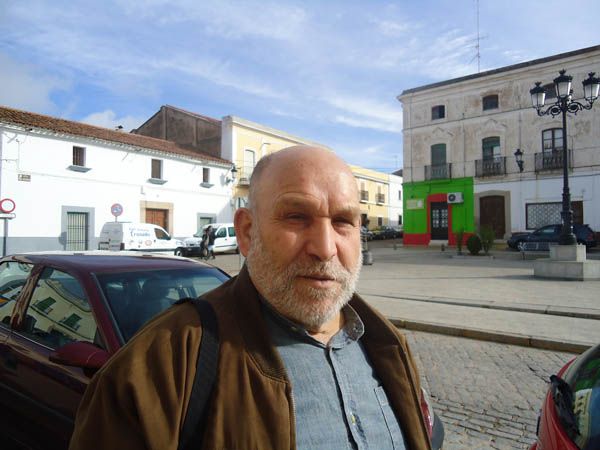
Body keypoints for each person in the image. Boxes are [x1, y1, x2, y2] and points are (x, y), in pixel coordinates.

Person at [69, 145, 431, 450]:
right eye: (296, 217)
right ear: (246, 231)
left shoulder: (387, 345)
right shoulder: (159, 364)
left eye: (343, 221)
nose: (325, 248)